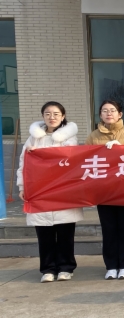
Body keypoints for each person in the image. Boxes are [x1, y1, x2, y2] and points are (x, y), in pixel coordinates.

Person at [17, 102, 82, 283]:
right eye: (47, 114)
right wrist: (22, 186)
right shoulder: (33, 139)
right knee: (44, 234)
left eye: (56, 114)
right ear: (43, 116)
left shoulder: (70, 138)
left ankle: (66, 267)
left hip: (63, 192)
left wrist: (41, 153)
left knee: (65, 234)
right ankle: (47, 269)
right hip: (39, 191)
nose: (51, 117)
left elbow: (70, 160)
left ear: (63, 116)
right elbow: (23, 164)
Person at [85, 99, 124, 280]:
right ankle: (110, 266)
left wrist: (122, 148)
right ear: (100, 115)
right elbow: (86, 159)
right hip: (104, 191)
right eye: (104, 111)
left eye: (112, 110)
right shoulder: (93, 136)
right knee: (108, 229)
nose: (108, 113)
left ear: (120, 114)